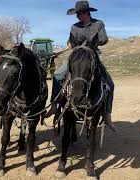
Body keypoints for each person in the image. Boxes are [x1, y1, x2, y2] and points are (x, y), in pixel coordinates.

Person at [44, 0, 117, 132]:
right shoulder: (74, 27)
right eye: (77, 14)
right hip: (77, 58)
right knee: (58, 75)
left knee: (110, 84)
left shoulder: (98, 24)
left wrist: (92, 42)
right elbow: (70, 44)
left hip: (92, 58)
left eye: (81, 13)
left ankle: (107, 115)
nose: (78, 16)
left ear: (87, 12)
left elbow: (104, 39)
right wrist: (59, 51)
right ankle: (54, 105)